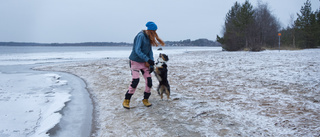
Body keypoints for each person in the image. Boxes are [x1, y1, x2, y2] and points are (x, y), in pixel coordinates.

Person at [122, 21, 165, 109]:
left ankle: (145, 99)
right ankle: (126, 100)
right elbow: (137, 50)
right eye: (154, 31)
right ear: (150, 30)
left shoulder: (149, 37)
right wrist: (147, 59)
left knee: (149, 82)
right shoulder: (140, 36)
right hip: (135, 62)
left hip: (145, 63)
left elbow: (149, 51)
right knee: (135, 81)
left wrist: (151, 63)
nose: (155, 33)